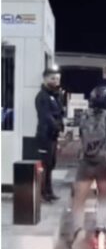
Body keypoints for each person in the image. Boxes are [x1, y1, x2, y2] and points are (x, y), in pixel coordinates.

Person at [67, 86, 106, 249]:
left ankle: (78, 229)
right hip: (105, 164)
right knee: (103, 196)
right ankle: (101, 227)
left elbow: (81, 137)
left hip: (86, 162)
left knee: (79, 199)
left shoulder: (84, 115)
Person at [35, 68, 65, 202]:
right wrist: (57, 125)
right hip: (44, 136)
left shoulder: (55, 95)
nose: (56, 81)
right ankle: (42, 193)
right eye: (53, 78)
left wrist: (60, 125)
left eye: (57, 79)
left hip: (53, 136)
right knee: (44, 165)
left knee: (51, 164)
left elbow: (59, 113)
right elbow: (46, 116)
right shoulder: (42, 96)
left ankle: (49, 191)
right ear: (45, 79)